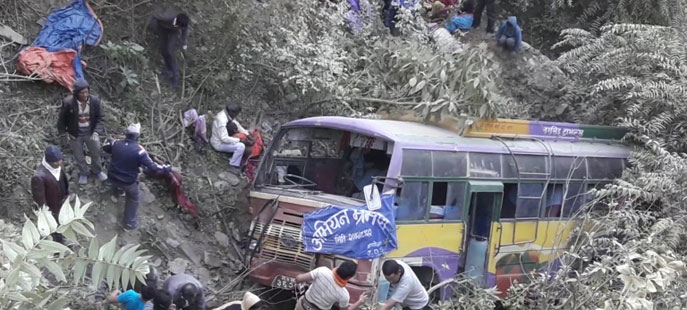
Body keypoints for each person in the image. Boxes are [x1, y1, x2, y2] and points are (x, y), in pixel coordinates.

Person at [103, 123, 172, 230]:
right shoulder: (140, 151)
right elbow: (153, 168)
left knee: (119, 175)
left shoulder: (116, 144)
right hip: (127, 182)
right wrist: (166, 168)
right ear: (137, 136)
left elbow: (105, 147)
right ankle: (129, 223)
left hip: (112, 177)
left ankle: (116, 193)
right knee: (133, 198)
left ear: (126, 133)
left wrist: (111, 140)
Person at [57, 78, 107, 184]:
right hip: (75, 133)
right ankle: (84, 173)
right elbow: (62, 120)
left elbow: (100, 118)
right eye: (82, 93)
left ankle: (97, 171)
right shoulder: (68, 103)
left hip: (91, 132)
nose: (85, 95)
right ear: (76, 93)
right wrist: (64, 134)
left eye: (86, 92)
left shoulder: (95, 101)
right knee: (78, 155)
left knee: (96, 152)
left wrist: (96, 132)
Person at [30, 145, 69, 244]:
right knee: (55, 228)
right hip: (52, 209)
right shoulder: (38, 177)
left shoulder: (58, 166)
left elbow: (63, 180)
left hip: (62, 203)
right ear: (48, 161)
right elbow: (40, 199)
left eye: (60, 160)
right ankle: (58, 245)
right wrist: (46, 214)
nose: (59, 164)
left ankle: (63, 238)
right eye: (55, 162)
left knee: (63, 224)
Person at [294, 261, 368, 310]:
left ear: (339, 267)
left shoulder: (322, 271)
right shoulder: (344, 294)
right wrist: (360, 301)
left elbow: (298, 279)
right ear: (349, 277)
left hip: (302, 305)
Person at [150, 7, 190, 87]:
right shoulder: (165, 17)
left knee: (169, 51)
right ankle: (167, 68)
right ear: (178, 23)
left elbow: (184, 31)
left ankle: (173, 71)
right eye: (180, 27)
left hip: (173, 31)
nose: (182, 29)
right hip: (162, 28)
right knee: (163, 49)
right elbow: (153, 16)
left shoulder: (183, 22)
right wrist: (149, 29)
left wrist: (184, 43)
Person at [96, 266, 160, 310]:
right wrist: (99, 298)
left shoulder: (152, 276)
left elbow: (153, 293)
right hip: (128, 297)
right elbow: (106, 280)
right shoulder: (124, 269)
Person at [211, 103, 249, 175]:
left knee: (233, 126)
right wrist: (239, 140)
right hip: (218, 144)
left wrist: (246, 133)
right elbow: (224, 138)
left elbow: (237, 124)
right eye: (237, 114)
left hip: (220, 138)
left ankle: (233, 157)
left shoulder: (226, 113)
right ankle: (233, 165)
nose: (237, 115)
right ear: (233, 112)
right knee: (241, 147)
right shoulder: (221, 120)